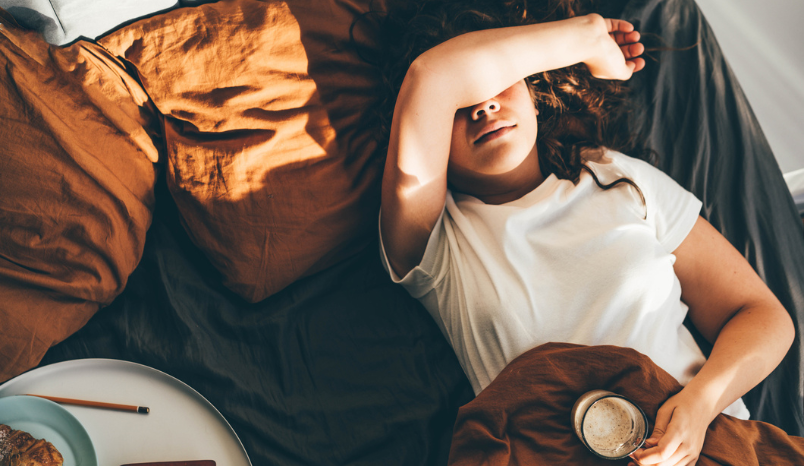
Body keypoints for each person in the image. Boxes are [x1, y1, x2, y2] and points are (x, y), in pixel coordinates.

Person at [372, 0, 796, 465]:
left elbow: (763, 317)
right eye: (459, 105)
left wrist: (700, 404)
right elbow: (431, 78)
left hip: (706, 442)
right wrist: (586, 38)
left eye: (499, 84)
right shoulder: (435, 244)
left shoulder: (614, 176)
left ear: (535, 90)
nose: (485, 104)